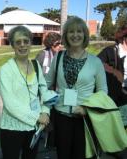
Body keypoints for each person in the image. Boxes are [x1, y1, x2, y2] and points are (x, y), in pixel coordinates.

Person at [45, 16, 108, 159]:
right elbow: (46, 84)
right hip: (61, 118)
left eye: (79, 31)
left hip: (84, 119)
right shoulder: (59, 57)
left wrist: (87, 108)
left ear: (85, 34)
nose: (75, 35)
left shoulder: (95, 62)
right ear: (66, 35)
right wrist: (46, 108)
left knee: (82, 155)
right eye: (71, 31)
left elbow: (103, 91)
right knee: (63, 155)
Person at [0, 26, 58, 159]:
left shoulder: (36, 65)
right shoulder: (6, 70)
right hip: (12, 129)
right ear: (12, 45)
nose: (23, 45)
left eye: (26, 41)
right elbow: (10, 104)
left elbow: (44, 92)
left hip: (34, 129)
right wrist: (37, 117)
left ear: (31, 43)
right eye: (18, 42)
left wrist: (45, 112)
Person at [98, 24, 127, 158]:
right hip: (115, 94)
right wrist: (113, 72)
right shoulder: (110, 51)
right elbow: (96, 65)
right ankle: (112, 147)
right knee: (116, 121)